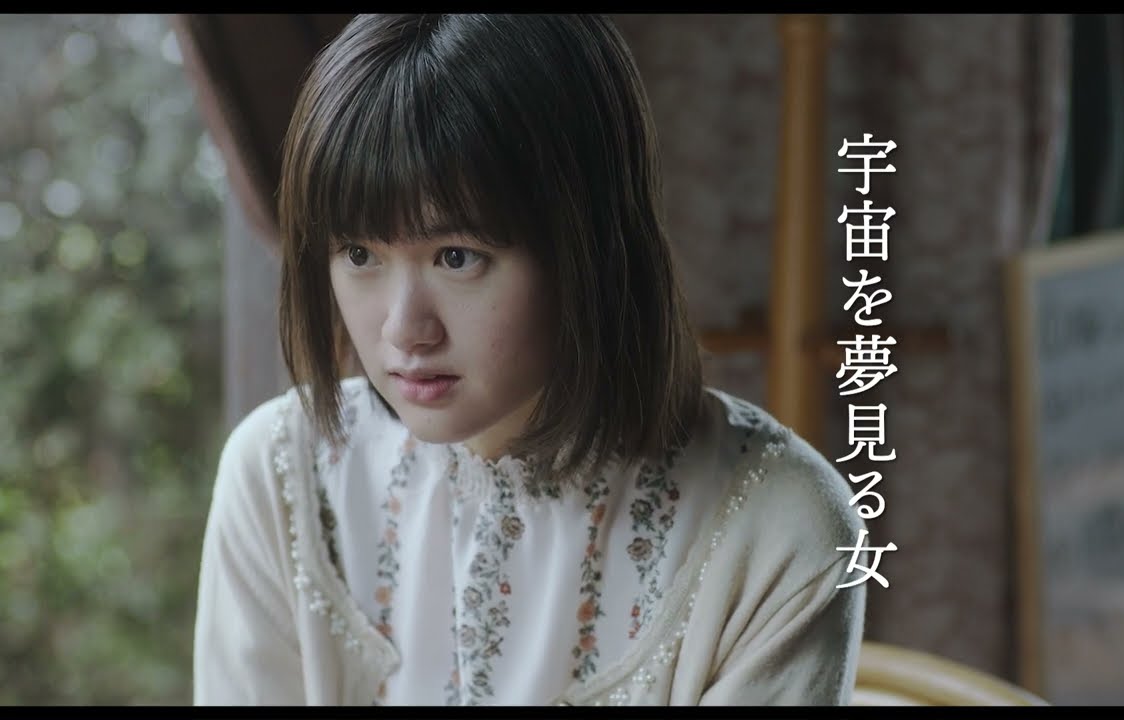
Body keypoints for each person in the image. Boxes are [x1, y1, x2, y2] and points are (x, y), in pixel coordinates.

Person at [192, 13, 866, 706]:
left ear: (588, 245)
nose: (403, 330)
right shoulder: (282, 474)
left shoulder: (777, 528)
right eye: (360, 254)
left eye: (458, 257)